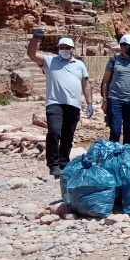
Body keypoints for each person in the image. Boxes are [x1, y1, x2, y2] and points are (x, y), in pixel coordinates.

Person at [27, 31, 92, 177]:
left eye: (67, 47)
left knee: (68, 135)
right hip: (55, 103)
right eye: (61, 47)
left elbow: (86, 84)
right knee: (54, 132)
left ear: (72, 49)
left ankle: (64, 163)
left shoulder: (80, 65)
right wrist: (36, 38)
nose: (64, 49)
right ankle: (53, 165)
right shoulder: (50, 62)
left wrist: (90, 103)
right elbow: (32, 55)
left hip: (73, 105)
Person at [101, 34, 130, 144]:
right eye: (129, 46)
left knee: (129, 132)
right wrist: (105, 101)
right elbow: (105, 82)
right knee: (115, 131)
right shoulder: (113, 61)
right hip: (115, 100)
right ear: (122, 47)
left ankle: (127, 156)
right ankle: (113, 156)